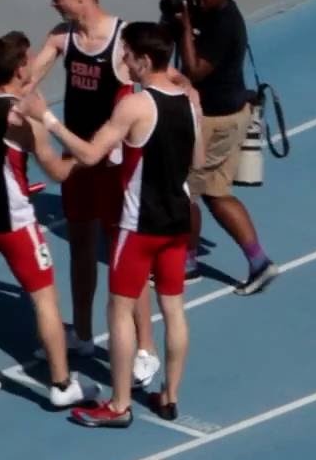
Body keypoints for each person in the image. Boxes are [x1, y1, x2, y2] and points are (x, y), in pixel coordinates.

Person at [21, 22, 202, 427]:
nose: (124, 62)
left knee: (119, 309)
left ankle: (119, 405)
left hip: (138, 226)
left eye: (128, 55)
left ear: (145, 60)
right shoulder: (190, 101)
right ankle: (170, 395)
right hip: (176, 221)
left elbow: (89, 155)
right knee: (173, 308)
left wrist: (47, 119)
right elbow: (198, 159)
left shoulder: (135, 106)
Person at [24, 0, 161, 389]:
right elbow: (26, 81)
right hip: (77, 159)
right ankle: (82, 334)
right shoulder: (62, 37)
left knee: (124, 256)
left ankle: (146, 348)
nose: (53, 2)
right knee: (81, 247)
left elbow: (161, 79)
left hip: (115, 165)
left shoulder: (123, 39)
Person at [0, 31, 95, 408]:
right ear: (18, 69)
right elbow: (57, 172)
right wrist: (88, 154)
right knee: (45, 300)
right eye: (27, 60)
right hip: (15, 222)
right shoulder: (23, 119)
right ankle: (61, 384)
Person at [168, 0, 278, 294]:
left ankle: (187, 264)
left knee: (185, 192)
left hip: (215, 120)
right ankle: (259, 262)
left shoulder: (225, 23)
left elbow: (194, 70)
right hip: (222, 115)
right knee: (215, 194)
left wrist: (185, 26)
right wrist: (172, 15)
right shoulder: (204, 11)